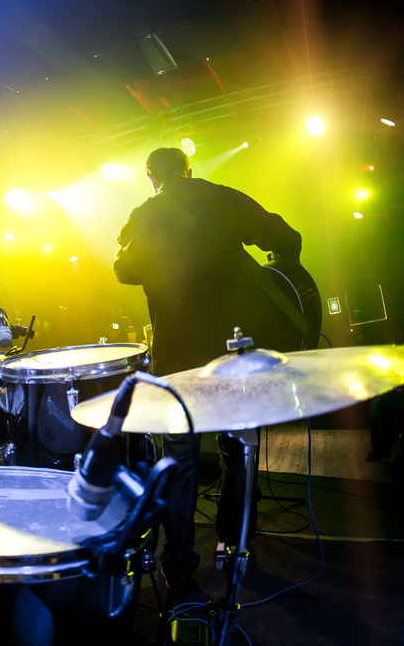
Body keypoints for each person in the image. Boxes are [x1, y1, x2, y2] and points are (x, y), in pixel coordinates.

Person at [113, 147, 302, 594]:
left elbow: (125, 269)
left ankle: (178, 566)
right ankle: (235, 548)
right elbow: (286, 236)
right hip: (236, 350)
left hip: (179, 360)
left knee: (179, 461)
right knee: (238, 451)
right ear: (188, 171)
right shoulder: (220, 196)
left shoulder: (146, 212)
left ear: (150, 178)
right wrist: (278, 275)